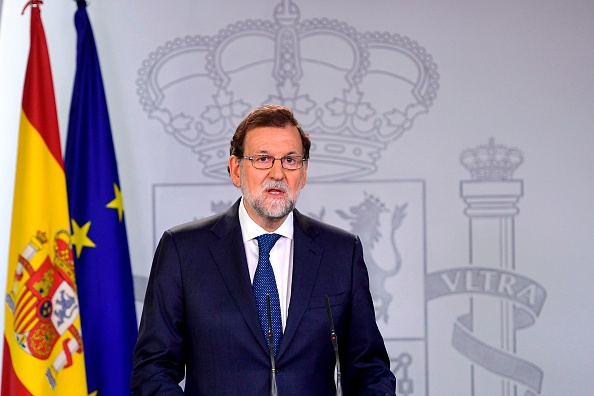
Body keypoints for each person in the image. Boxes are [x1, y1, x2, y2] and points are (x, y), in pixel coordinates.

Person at [131, 105, 397, 395]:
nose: (278, 173)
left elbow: (370, 371)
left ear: (304, 172)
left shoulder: (341, 253)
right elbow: (153, 370)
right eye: (263, 159)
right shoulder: (183, 251)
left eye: (291, 160)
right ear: (236, 170)